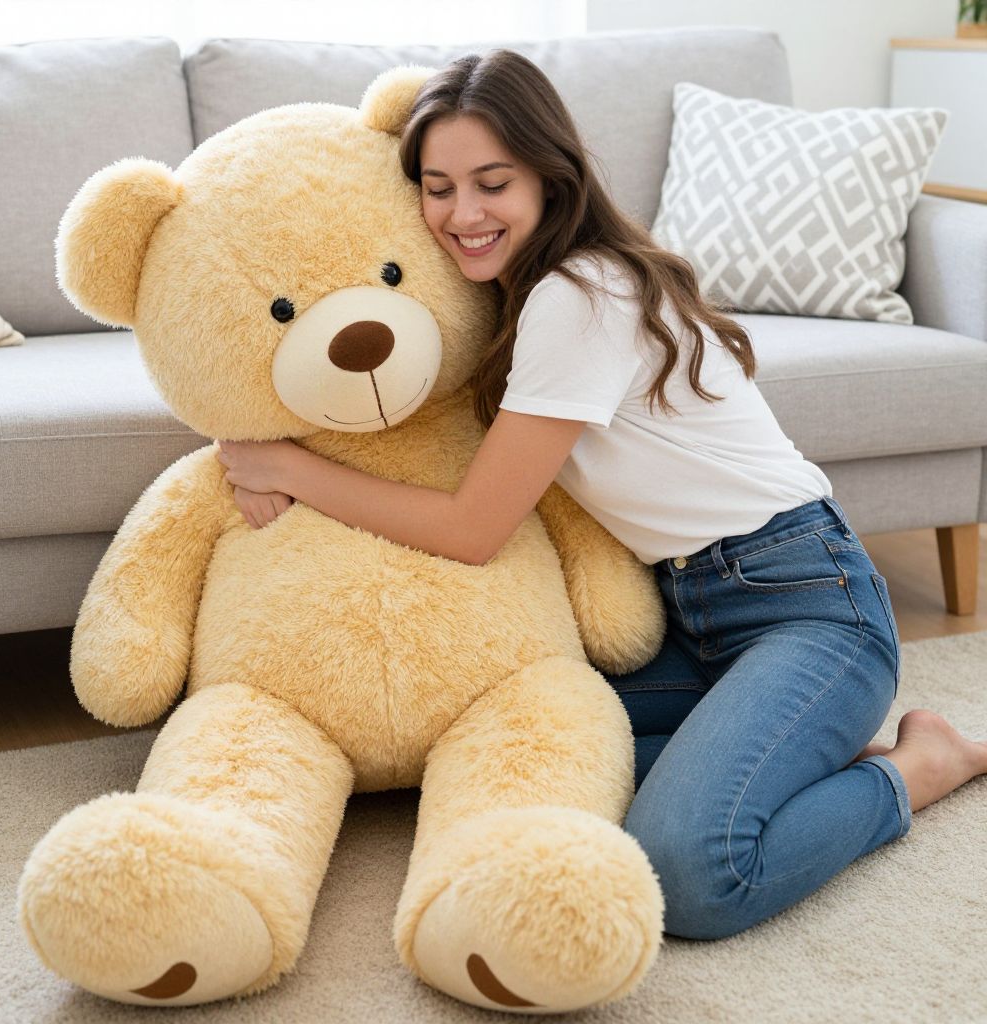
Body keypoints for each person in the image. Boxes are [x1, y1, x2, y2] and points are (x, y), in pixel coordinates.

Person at [216, 50, 987, 939]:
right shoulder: (509, 299)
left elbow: (473, 527)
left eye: (491, 183)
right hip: (690, 613)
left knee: (692, 873)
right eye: (436, 188)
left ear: (551, 175)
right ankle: (791, 752)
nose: (461, 214)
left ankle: (920, 767)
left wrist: (291, 468)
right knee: (503, 737)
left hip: (807, 604)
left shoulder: (579, 294)